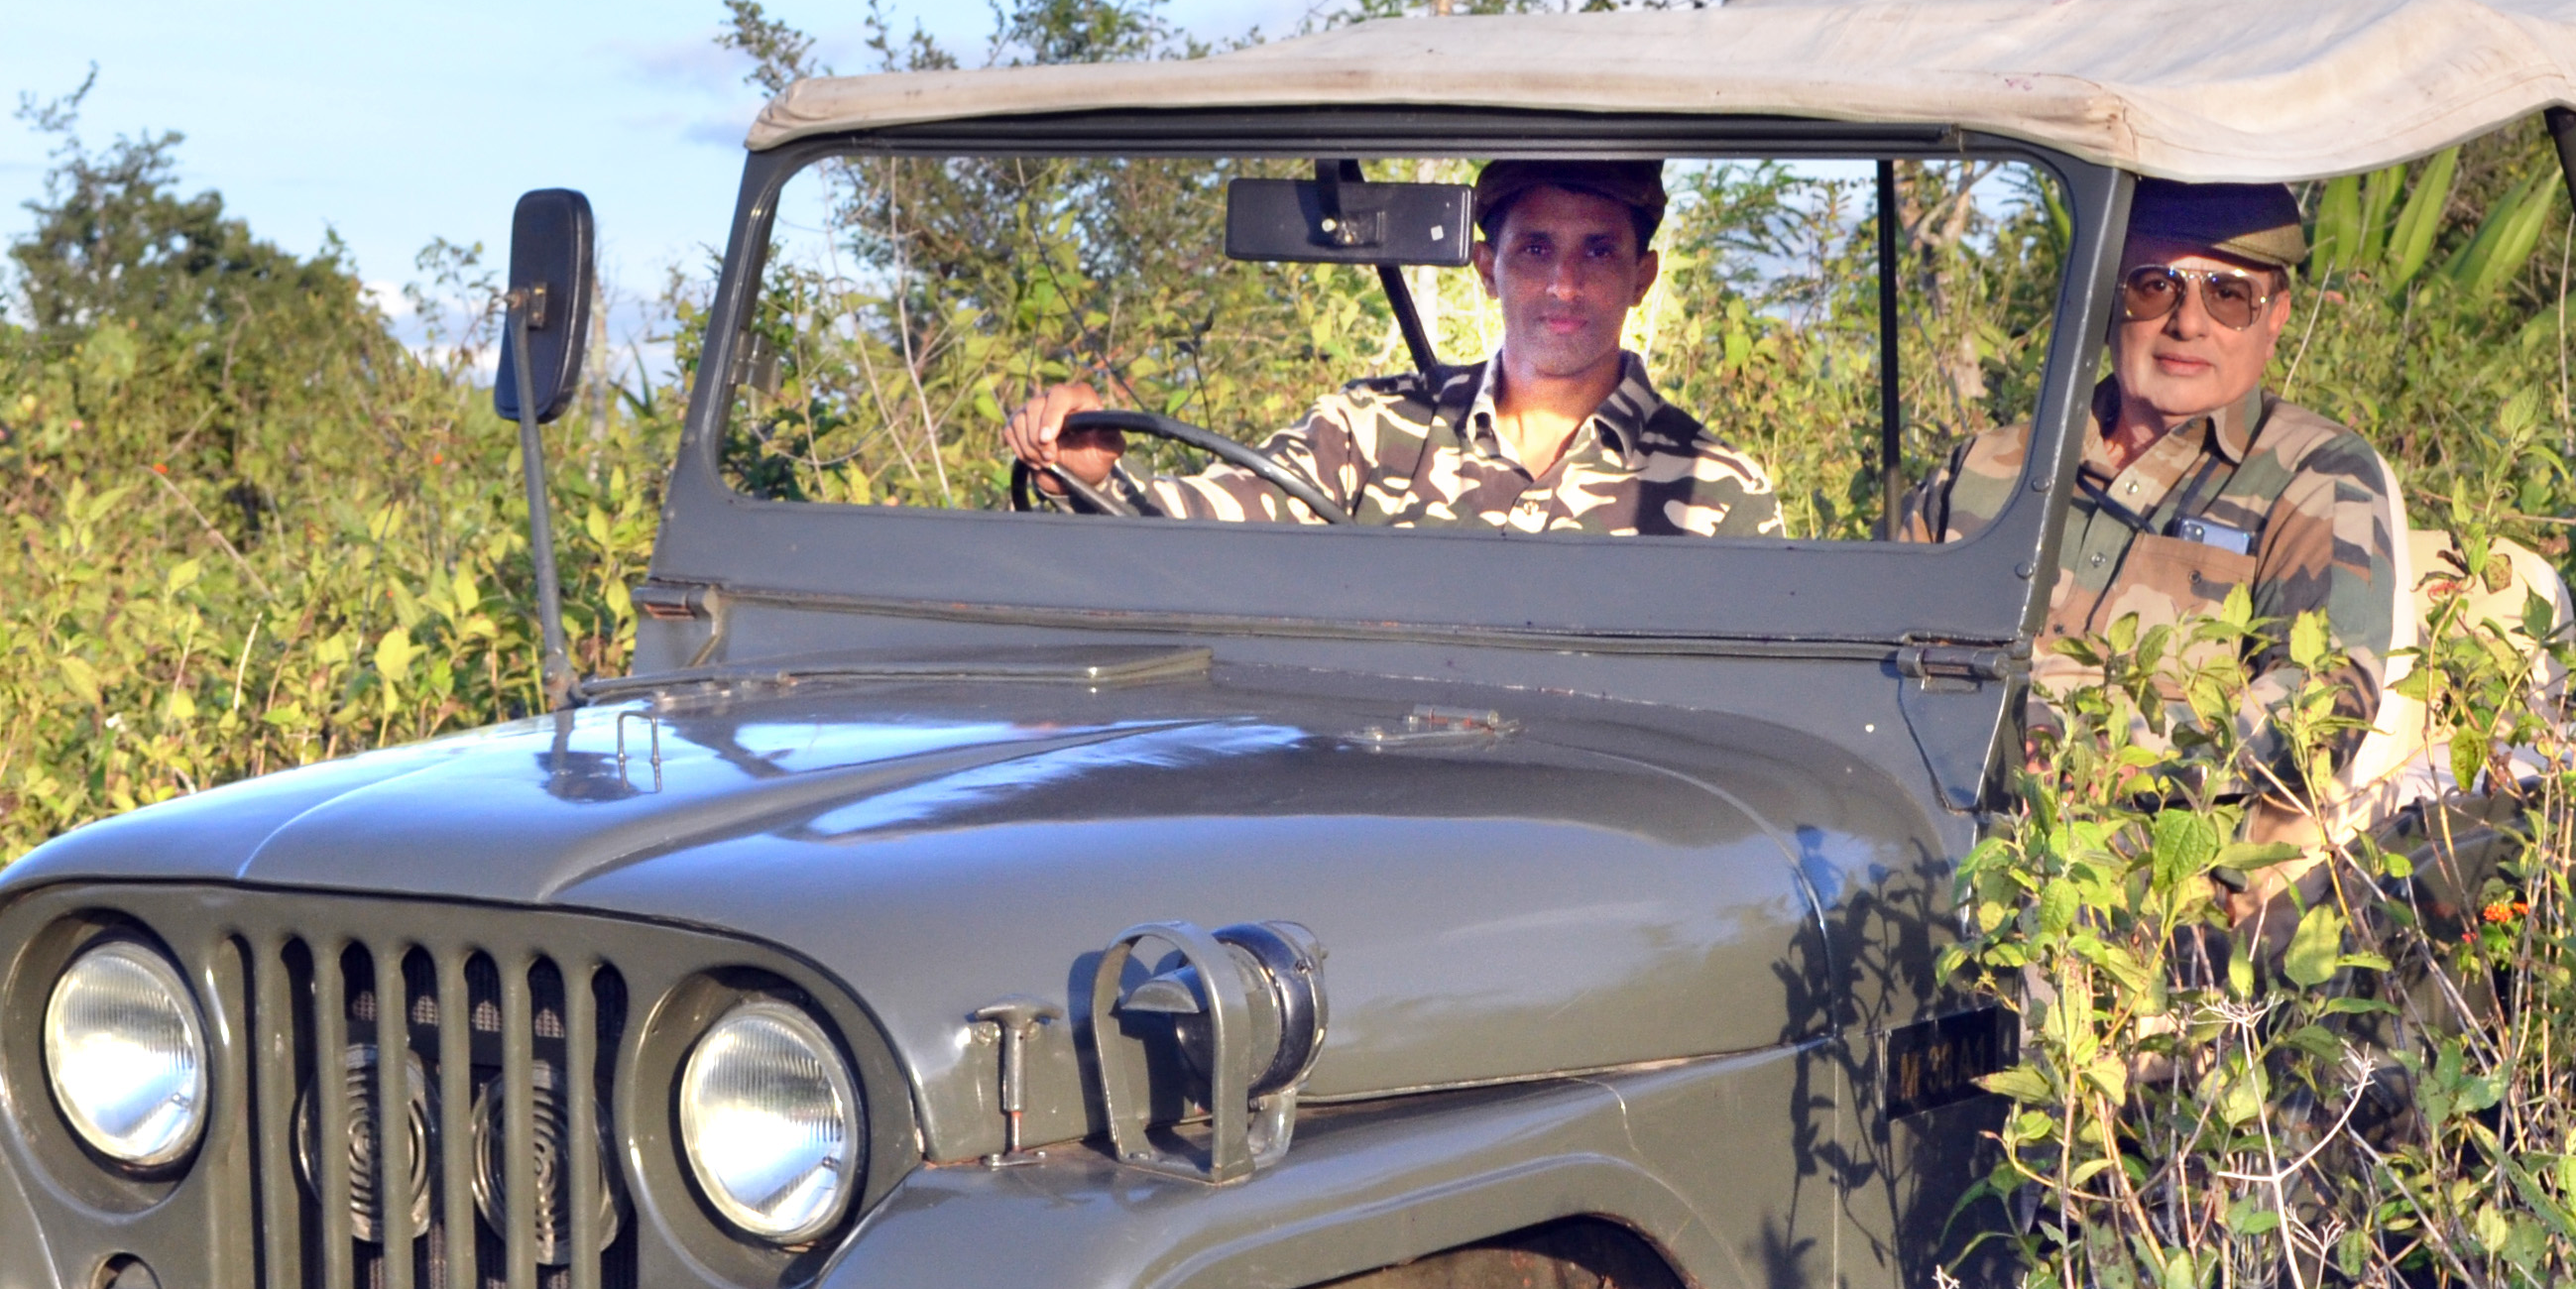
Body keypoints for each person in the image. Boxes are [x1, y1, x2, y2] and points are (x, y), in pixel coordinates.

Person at [1897, 177, 2417, 834]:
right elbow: (1869, 652)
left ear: (2276, 315)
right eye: (2155, 285)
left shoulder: (2314, 474)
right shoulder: (1985, 469)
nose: (2188, 322)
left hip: (2160, 879)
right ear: (2111, 297)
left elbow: (2324, 703)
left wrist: (2098, 753)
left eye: (2229, 296)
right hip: (1930, 836)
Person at [1003, 161, 1780, 537]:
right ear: (1488, 269)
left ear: (1642, 277)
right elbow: (1209, 526)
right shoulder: (1370, 433)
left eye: (1599, 253)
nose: (1564, 285)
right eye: (1535, 250)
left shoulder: (1719, 490)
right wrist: (1088, 471)